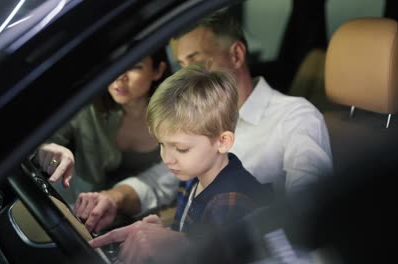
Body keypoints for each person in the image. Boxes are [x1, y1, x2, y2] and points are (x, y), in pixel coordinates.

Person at [75, 10, 333, 232]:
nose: (187, 74)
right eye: (181, 64)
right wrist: (114, 198)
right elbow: (161, 180)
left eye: (196, 60)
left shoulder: (295, 118)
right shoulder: (194, 119)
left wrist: (182, 243)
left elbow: (308, 213)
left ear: (236, 55)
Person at [90, 64, 273, 264]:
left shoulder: (229, 201)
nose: (167, 158)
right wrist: (164, 234)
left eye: (181, 149)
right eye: (162, 145)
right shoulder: (194, 177)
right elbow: (190, 239)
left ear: (223, 142)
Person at [37, 45, 179, 230]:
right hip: (81, 212)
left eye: (134, 66)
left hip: (144, 218)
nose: (119, 76)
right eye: (113, 64)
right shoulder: (88, 106)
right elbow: (44, 145)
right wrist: (51, 155)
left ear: (158, 70)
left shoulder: (178, 115)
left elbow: (170, 178)